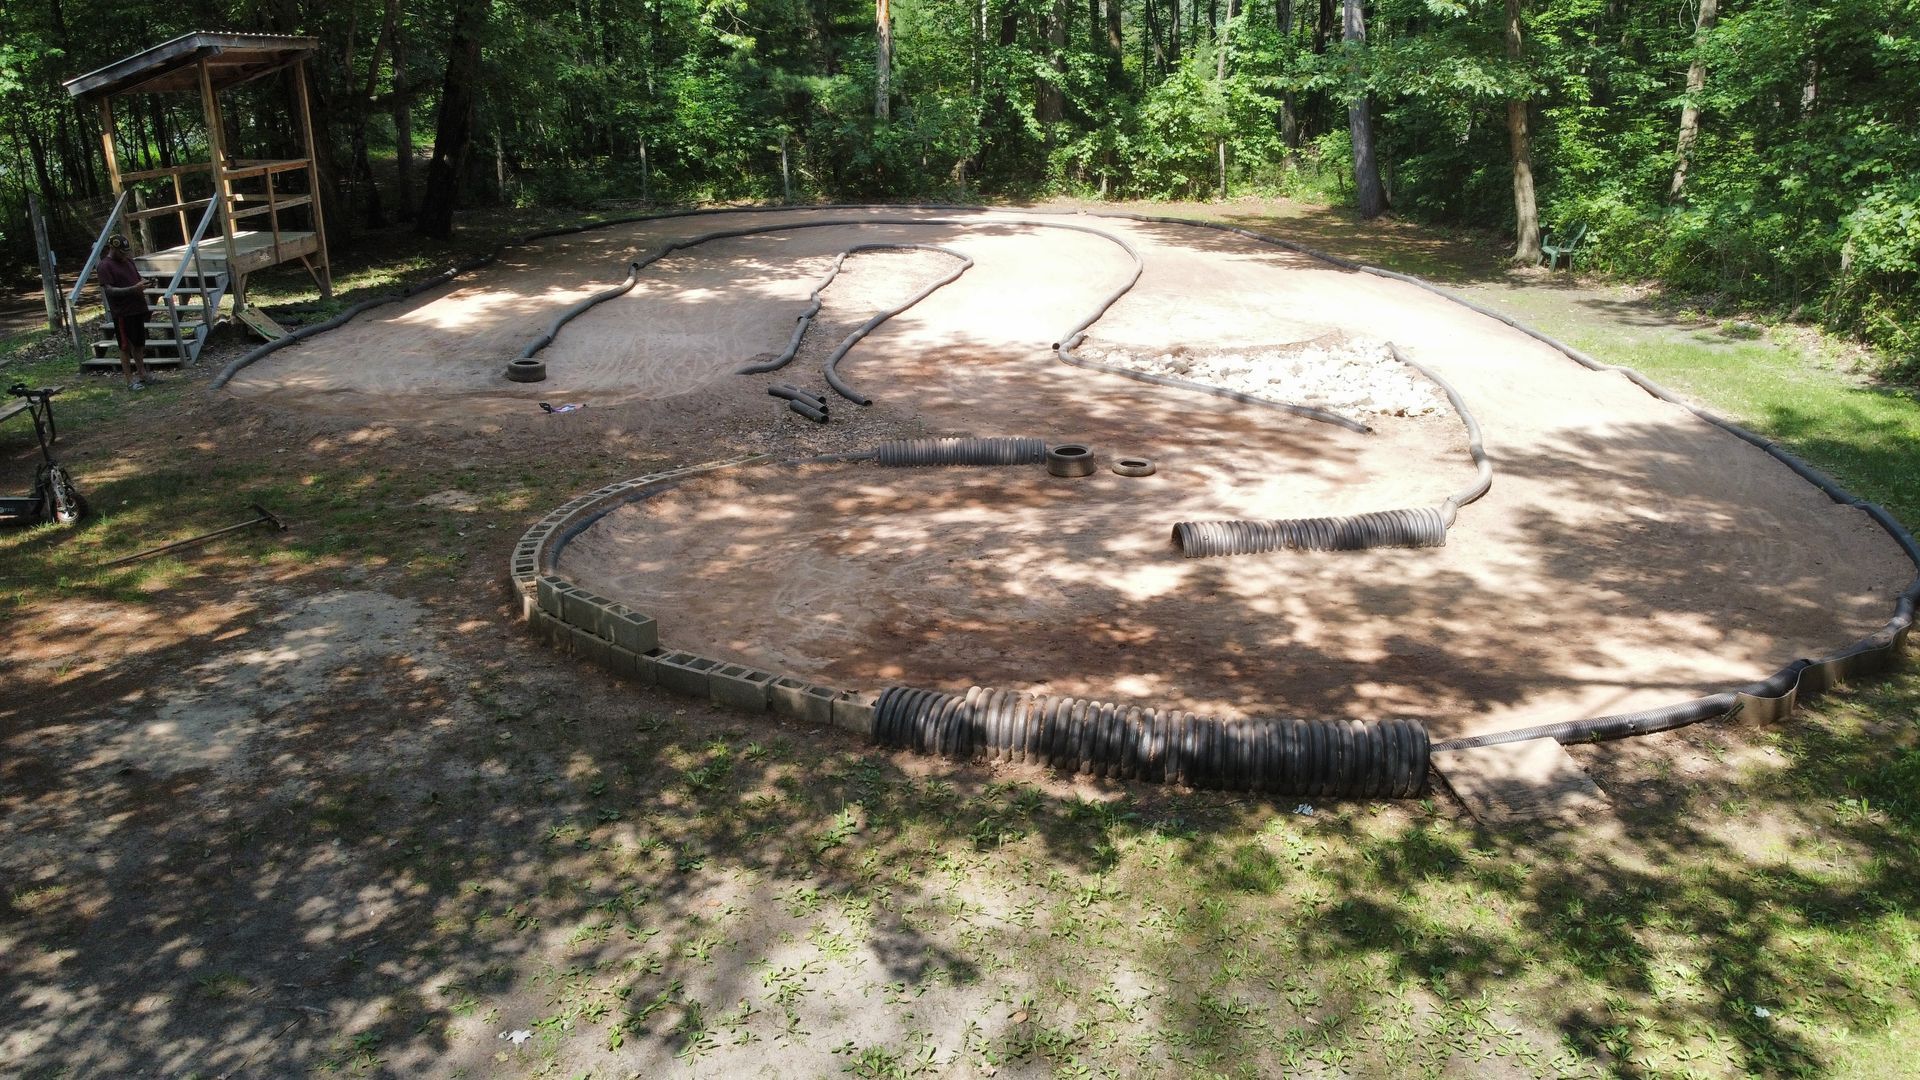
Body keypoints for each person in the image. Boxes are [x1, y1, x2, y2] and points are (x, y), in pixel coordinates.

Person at [95, 233, 154, 390]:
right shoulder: (105, 266)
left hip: (137, 308)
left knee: (139, 344)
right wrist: (133, 289)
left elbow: (137, 279)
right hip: (122, 312)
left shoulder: (128, 262)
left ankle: (143, 374)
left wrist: (145, 283)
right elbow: (110, 290)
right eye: (122, 252)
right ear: (112, 248)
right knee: (125, 346)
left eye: (126, 252)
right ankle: (129, 380)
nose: (125, 255)